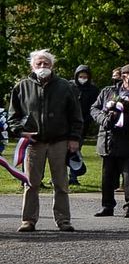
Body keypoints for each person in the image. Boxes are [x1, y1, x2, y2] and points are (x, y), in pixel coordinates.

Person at [8, 49, 84, 232]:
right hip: (34, 143)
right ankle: (28, 220)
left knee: (61, 183)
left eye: (46, 63)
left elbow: (76, 115)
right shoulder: (21, 86)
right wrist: (20, 131)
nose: (43, 67)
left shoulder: (65, 86)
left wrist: (74, 138)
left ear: (52, 66)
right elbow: (13, 117)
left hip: (59, 141)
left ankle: (63, 220)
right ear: (32, 66)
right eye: (39, 64)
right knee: (31, 183)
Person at [90, 64, 129, 217]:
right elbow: (94, 109)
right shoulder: (107, 91)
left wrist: (122, 119)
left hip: (128, 139)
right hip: (108, 139)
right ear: (123, 76)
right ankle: (107, 205)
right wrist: (105, 119)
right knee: (107, 176)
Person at [68, 64, 97, 185]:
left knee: (75, 150)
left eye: (85, 76)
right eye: (80, 76)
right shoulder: (69, 87)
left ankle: (73, 176)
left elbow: (94, 107)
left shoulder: (93, 90)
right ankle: (59, 176)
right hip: (67, 123)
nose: (83, 79)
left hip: (81, 125)